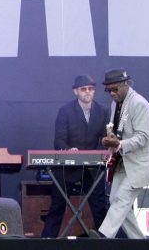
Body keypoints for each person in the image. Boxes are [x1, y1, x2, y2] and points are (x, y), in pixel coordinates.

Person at [93, 69, 149, 239]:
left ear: (125, 84)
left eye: (115, 89)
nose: (112, 93)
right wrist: (110, 145)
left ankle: (103, 236)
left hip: (143, 162)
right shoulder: (116, 104)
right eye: (108, 90)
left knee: (122, 198)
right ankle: (139, 241)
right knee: (115, 201)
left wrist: (119, 144)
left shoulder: (139, 103)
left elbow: (142, 138)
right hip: (125, 159)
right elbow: (119, 133)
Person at [41, 74, 109, 238]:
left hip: (93, 169)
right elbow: (59, 140)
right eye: (83, 89)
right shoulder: (65, 111)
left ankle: (108, 241)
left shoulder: (103, 111)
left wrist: (99, 154)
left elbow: (105, 138)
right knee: (57, 205)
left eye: (91, 89)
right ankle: (46, 241)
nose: (88, 92)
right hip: (67, 168)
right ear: (75, 91)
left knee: (100, 206)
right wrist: (69, 150)